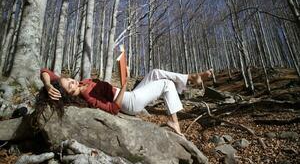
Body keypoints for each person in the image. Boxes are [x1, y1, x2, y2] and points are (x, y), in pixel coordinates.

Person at [40, 68, 213, 136]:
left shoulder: (84, 83)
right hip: (129, 103)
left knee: (155, 72)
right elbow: (113, 109)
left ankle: (191, 78)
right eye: (70, 84)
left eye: (69, 79)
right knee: (166, 84)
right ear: (70, 93)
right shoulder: (88, 97)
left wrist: (48, 85)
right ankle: (175, 123)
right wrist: (123, 85)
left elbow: (45, 71)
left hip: (129, 95)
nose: (72, 81)